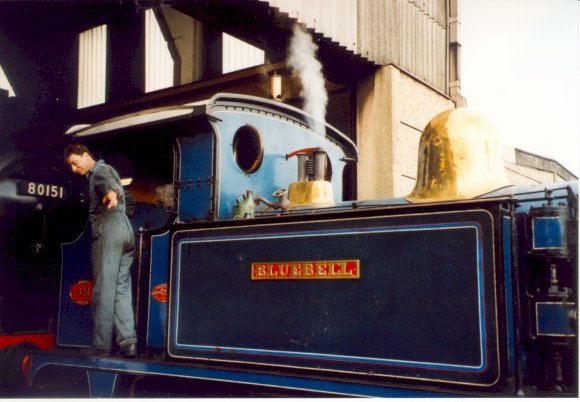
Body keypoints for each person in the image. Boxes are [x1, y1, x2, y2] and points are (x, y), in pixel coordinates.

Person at [64, 143, 137, 357]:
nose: (74, 169)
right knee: (121, 287)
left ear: (86, 156)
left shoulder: (99, 171)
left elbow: (109, 187)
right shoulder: (109, 170)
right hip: (126, 232)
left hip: (109, 231)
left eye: (75, 164)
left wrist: (111, 195)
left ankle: (102, 346)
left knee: (103, 290)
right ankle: (128, 342)